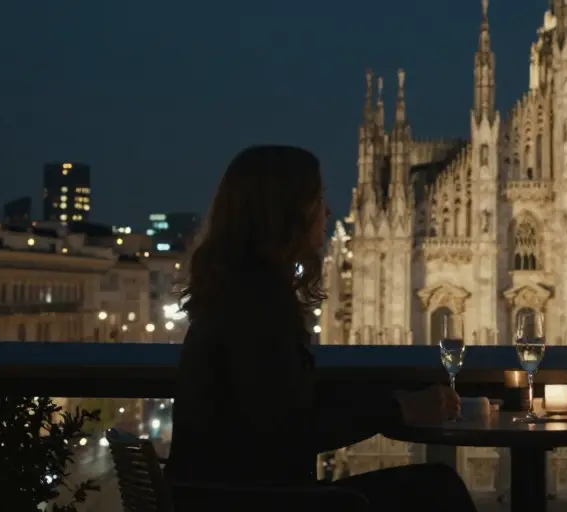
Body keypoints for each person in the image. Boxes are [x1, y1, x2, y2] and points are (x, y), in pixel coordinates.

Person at [164, 145, 478, 512]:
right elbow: (291, 427)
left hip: (223, 497)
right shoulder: (258, 303)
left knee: (433, 485)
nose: (327, 212)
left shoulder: (237, 294)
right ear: (286, 214)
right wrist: (397, 408)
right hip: (258, 502)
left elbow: (282, 401)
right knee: (438, 488)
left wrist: (388, 400)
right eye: (318, 199)